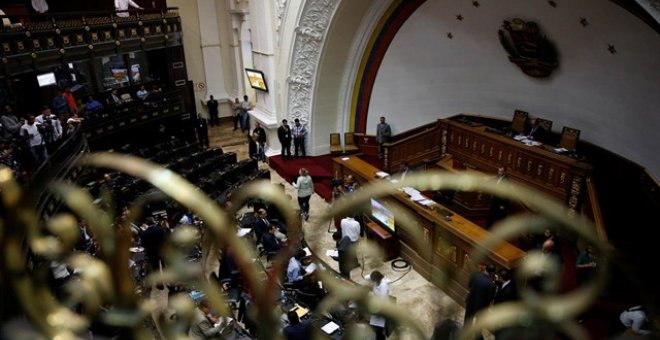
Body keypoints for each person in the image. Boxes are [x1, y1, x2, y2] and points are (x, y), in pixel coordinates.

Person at [367, 270, 390, 340]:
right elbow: (367, 277)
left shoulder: (383, 286)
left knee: (378, 326)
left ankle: (380, 337)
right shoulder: (376, 281)